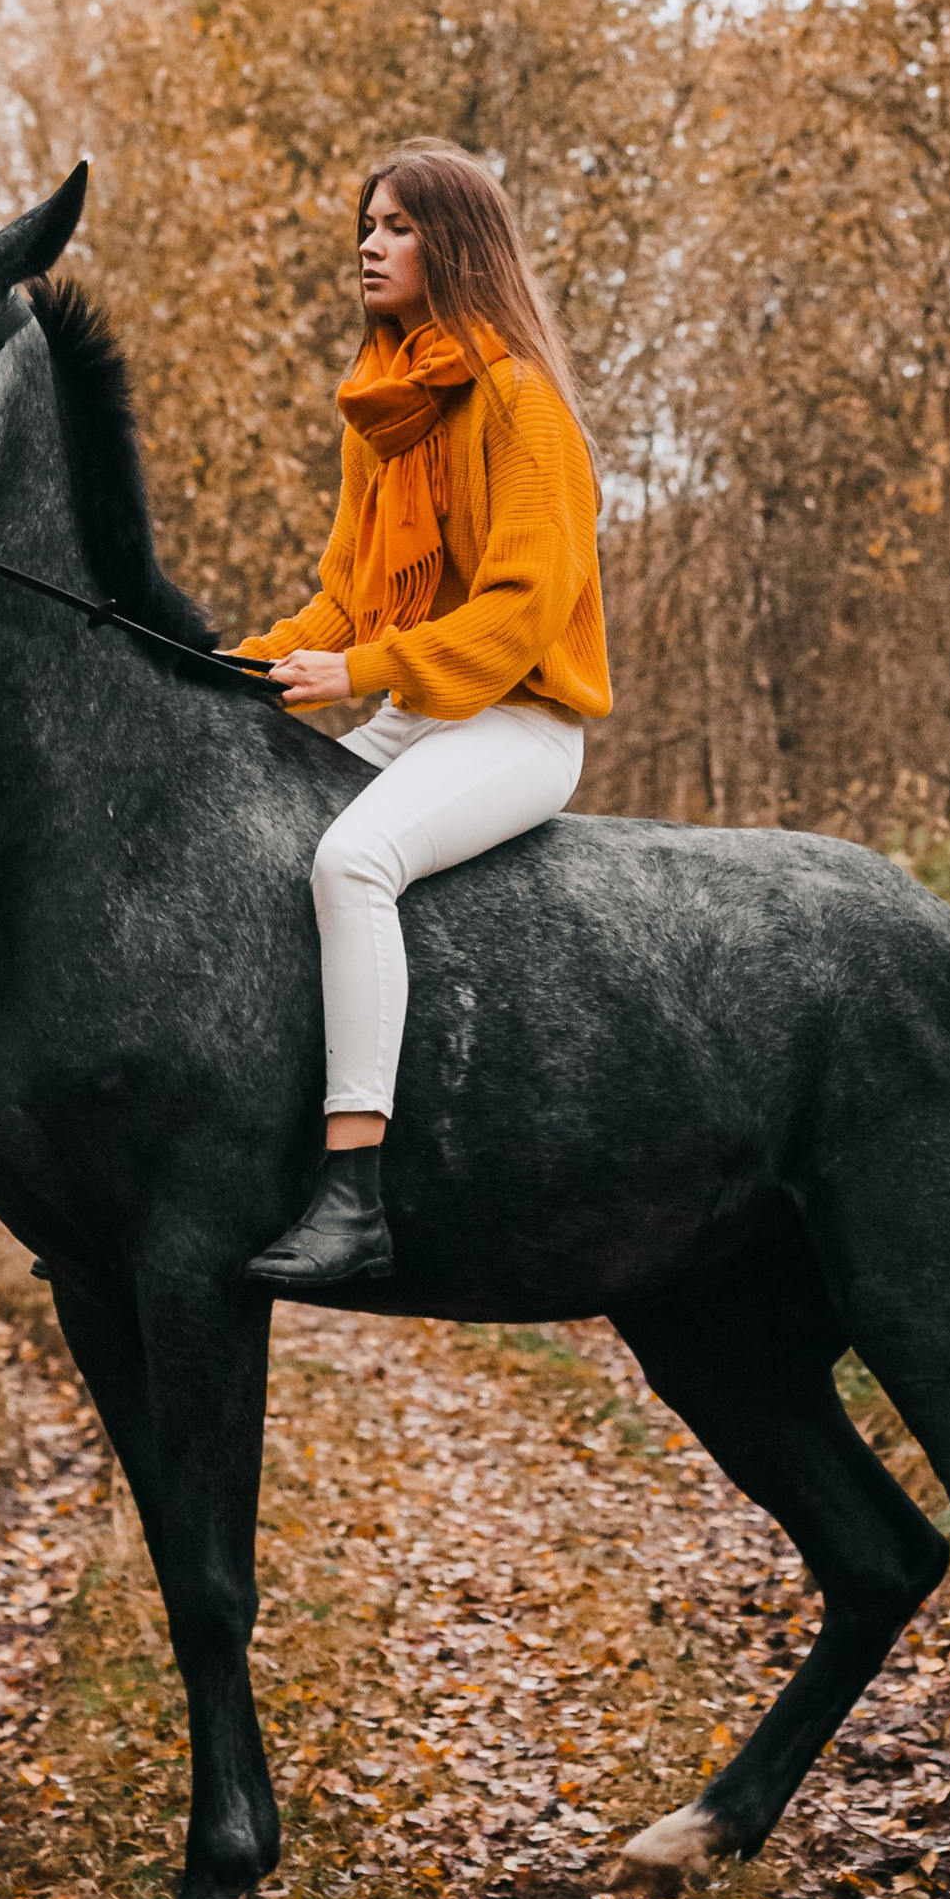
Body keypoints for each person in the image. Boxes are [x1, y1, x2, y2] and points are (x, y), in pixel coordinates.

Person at [236, 138, 610, 1291]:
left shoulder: (519, 404)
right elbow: (343, 601)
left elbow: (516, 612)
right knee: (249, 848)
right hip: (412, 711)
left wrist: (355, 672)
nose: (369, 242)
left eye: (397, 225)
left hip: (518, 723)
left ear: (454, 245)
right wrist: (230, 665)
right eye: (367, 221)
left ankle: (354, 1202)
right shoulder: (379, 418)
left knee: (351, 860)